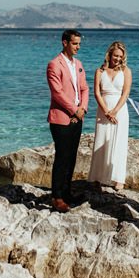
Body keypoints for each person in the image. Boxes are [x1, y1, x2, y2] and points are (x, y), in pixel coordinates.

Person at [46, 29, 89, 213]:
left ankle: (67, 192)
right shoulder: (54, 65)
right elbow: (57, 93)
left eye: (79, 43)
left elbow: (85, 89)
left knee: (72, 157)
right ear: (65, 42)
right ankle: (56, 197)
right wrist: (73, 110)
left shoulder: (78, 64)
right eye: (74, 43)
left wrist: (83, 109)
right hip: (61, 118)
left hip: (77, 117)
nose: (78, 47)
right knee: (61, 158)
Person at [87, 41, 132, 191]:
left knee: (118, 143)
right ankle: (98, 176)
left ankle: (119, 178)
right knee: (101, 141)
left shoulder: (126, 71)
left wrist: (114, 111)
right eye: (115, 55)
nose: (118, 59)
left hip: (120, 111)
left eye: (120, 56)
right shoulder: (99, 71)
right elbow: (96, 93)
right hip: (103, 110)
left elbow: (126, 93)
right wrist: (106, 111)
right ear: (109, 54)